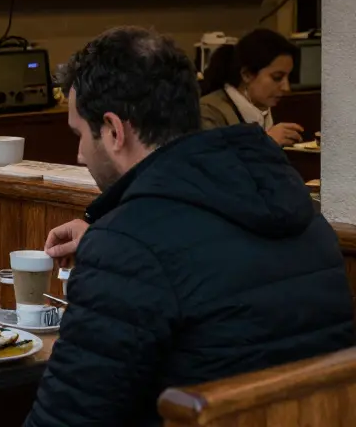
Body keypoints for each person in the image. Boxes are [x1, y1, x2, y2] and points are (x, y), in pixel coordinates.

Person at [29, 27, 354, 427]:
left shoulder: (129, 244)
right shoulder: (298, 209)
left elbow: (66, 419)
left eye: (80, 134)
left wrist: (115, 251)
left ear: (114, 130)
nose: (79, 154)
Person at [199, 28, 304, 146]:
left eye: (289, 78)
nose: (286, 88)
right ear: (247, 75)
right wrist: (266, 142)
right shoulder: (209, 112)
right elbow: (216, 161)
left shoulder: (267, 109)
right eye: (277, 77)